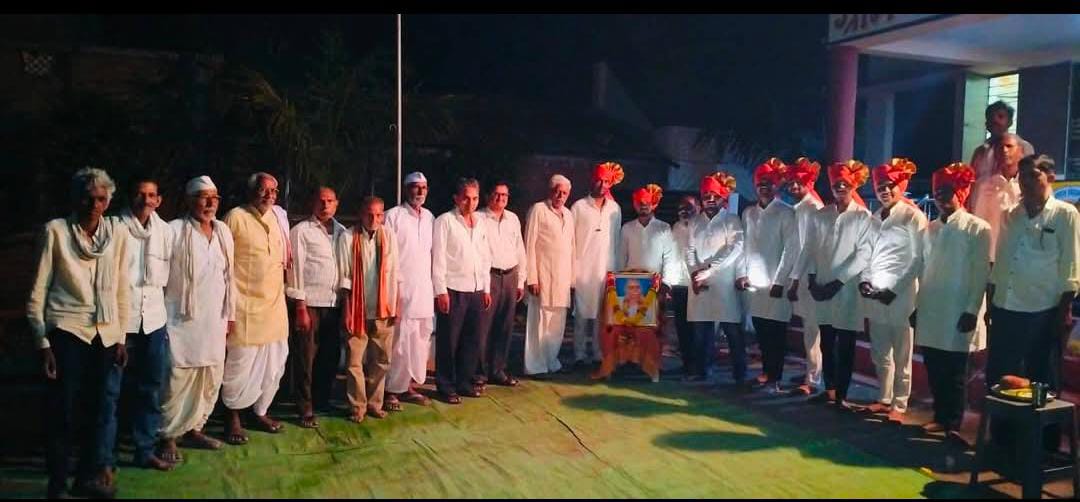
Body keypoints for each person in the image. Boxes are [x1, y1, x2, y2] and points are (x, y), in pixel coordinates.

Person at [28, 167, 131, 498]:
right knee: (62, 413)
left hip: (104, 335)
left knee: (97, 411)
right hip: (67, 332)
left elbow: (122, 289)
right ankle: (57, 483)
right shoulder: (56, 231)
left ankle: (87, 479)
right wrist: (43, 343)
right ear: (75, 198)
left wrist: (120, 337)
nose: (94, 205)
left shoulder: (117, 233)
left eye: (100, 199)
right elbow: (37, 293)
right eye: (87, 198)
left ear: (108, 202)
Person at [987, 154, 1080, 450]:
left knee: (1043, 380)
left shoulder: (1065, 214)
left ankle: (1044, 447)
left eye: (1034, 175)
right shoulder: (1011, 215)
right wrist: (991, 303)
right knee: (1001, 376)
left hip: (1043, 310)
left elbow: (1071, 267)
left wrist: (1063, 311)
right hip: (1006, 306)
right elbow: (1002, 261)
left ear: (1049, 177)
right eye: (1023, 176)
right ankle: (1002, 442)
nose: (1026, 182)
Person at [157, 176, 235, 464]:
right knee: (177, 378)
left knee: (210, 375)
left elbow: (230, 277)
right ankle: (167, 435)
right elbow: (160, 278)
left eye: (215, 197)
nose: (210, 202)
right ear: (190, 201)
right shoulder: (174, 230)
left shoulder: (223, 231)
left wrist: (231, 314)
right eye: (204, 197)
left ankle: (194, 428)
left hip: (215, 318)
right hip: (180, 319)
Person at [912, 162, 989, 435]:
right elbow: (921, 269)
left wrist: (972, 310)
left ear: (961, 192)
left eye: (946, 192)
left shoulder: (978, 228)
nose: (941, 198)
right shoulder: (929, 229)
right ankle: (940, 416)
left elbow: (980, 273)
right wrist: (917, 305)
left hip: (958, 308)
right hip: (932, 307)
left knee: (955, 370)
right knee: (934, 366)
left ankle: (953, 422)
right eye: (937, 193)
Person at [222, 172, 290, 445]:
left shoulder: (278, 218)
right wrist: (228, 309)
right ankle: (232, 416)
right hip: (245, 307)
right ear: (251, 191)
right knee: (240, 365)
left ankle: (259, 411)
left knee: (274, 362)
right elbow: (224, 266)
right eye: (263, 190)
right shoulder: (235, 217)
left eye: (274, 191)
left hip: (274, 305)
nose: (269, 196)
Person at [859, 158, 928, 424]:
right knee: (880, 352)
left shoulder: (913, 216)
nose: (885, 191)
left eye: (890, 186)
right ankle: (883, 398)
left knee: (902, 354)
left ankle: (900, 403)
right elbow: (867, 254)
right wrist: (864, 280)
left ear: (901, 186)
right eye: (880, 187)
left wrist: (895, 290)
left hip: (901, 297)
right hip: (876, 295)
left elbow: (918, 259)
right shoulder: (874, 218)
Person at [803, 160, 873, 410]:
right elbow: (811, 249)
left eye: (845, 183)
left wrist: (838, 282)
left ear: (854, 185)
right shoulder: (821, 215)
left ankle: (842, 394)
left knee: (845, 344)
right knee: (826, 342)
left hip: (846, 291)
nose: (840, 187)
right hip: (822, 287)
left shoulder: (862, 216)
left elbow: (863, 255)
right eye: (836, 184)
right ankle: (830, 390)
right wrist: (812, 279)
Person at [116, 177, 175, 471]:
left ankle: (145, 449)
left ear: (158, 200)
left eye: (151, 195)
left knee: (151, 386)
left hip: (153, 318)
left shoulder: (165, 231)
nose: (146, 200)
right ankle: (105, 455)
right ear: (131, 197)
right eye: (140, 194)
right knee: (112, 387)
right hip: (121, 319)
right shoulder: (115, 228)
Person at [285, 187, 346, 428]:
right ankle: (305, 407)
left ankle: (322, 400)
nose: (325, 205)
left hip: (334, 303)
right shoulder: (301, 231)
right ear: (313, 203)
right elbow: (296, 270)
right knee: (305, 358)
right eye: (321, 201)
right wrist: (300, 305)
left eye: (330, 201)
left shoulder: (342, 232)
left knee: (330, 356)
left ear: (337, 204)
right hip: (309, 304)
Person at [336, 196, 399, 422]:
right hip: (357, 308)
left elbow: (395, 273)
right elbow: (344, 276)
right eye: (369, 214)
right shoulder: (347, 237)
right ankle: (357, 406)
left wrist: (396, 304)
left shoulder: (389, 235)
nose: (374, 219)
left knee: (381, 359)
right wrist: (347, 308)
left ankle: (374, 403)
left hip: (383, 307)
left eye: (378, 215)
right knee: (354, 361)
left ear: (383, 216)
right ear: (361, 214)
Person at [431, 178, 493, 403]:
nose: (471, 203)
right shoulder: (444, 221)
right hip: (453, 289)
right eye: (466, 198)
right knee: (449, 341)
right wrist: (441, 291)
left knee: (471, 340)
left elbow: (485, 257)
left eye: (475, 198)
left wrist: (486, 288)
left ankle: (464, 382)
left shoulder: (481, 223)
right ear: (456, 198)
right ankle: (446, 385)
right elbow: (438, 258)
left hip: (476, 289)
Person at [741, 158, 798, 393]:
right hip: (755, 284)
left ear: (776, 185)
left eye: (768, 183)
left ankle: (775, 378)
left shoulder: (786, 212)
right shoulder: (749, 213)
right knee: (761, 331)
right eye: (760, 183)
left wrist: (780, 281)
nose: (763, 187)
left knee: (776, 333)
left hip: (776, 285)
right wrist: (744, 274)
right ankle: (766, 373)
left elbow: (791, 249)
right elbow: (745, 247)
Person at [686, 172, 746, 386]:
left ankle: (740, 375)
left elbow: (735, 248)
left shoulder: (732, 220)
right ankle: (702, 371)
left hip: (724, 284)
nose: (710, 200)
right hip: (699, 284)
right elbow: (689, 250)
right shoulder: (695, 222)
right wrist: (694, 273)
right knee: (701, 331)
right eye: (706, 196)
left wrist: (709, 270)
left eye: (715, 196)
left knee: (732, 331)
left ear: (722, 198)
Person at [382, 172, 436, 411]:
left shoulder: (430, 217)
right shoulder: (393, 216)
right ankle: (391, 390)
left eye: (424, 187)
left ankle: (408, 386)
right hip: (400, 291)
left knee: (420, 341)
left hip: (424, 290)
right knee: (399, 343)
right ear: (406, 190)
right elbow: (385, 256)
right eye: (415, 187)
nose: (420, 192)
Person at [570, 161, 623, 368]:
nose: (602, 185)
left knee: (603, 314)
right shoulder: (579, 207)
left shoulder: (614, 209)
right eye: (599, 180)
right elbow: (571, 241)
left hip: (606, 269)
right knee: (582, 314)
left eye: (606, 182)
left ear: (610, 184)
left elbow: (616, 241)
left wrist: (615, 271)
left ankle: (599, 353)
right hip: (583, 269)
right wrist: (572, 273)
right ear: (592, 181)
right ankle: (579, 354)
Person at [523, 175, 576, 378]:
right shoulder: (538, 209)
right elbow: (529, 244)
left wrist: (572, 280)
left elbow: (572, 248)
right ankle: (535, 366)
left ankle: (551, 361)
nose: (560, 196)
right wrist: (532, 278)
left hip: (562, 279)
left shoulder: (569, 215)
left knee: (557, 325)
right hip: (542, 277)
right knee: (539, 323)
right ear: (550, 191)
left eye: (564, 193)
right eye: (557, 191)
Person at [476, 181, 526, 387]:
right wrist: (484, 285)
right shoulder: (478, 218)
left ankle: (498, 370)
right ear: (489, 196)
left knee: (504, 326)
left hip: (510, 275)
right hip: (489, 276)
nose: (501, 198)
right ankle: (479, 373)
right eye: (497, 194)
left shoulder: (512, 218)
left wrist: (521, 281)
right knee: (483, 327)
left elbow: (520, 249)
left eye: (504, 195)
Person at [783, 158, 825, 396]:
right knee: (809, 328)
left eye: (798, 183)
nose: (794, 187)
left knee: (812, 329)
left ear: (809, 183)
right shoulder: (801, 208)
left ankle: (813, 379)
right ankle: (812, 371)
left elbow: (809, 249)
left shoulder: (812, 208)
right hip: (802, 276)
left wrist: (798, 279)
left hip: (810, 276)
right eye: (791, 183)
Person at [969, 132, 1024, 260]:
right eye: (1000, 147)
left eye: (1009, 146)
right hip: (990, 257)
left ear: (1021, 151)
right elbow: (977, 222)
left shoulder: (1029, 185)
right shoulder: (984, 186)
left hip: (1022, 258)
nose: (1004, 150)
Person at [670, 195, 700, 378]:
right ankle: (687, 363)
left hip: (697, 284)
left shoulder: (702, 227)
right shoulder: (675, 227)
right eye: (681, 208)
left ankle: (699, 366)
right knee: (682, 326)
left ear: (698, 208)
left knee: (698, 327)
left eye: (689, 207)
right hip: (679, 284)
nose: (684, 211)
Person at [968, 100, 1034, 181]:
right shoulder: (980, 152)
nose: (995, 120)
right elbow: (972, 180)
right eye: (991, 117)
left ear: (1010, 122)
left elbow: (1030, 178)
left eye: (1000, 117)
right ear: (986, 123)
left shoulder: (1023, 147)